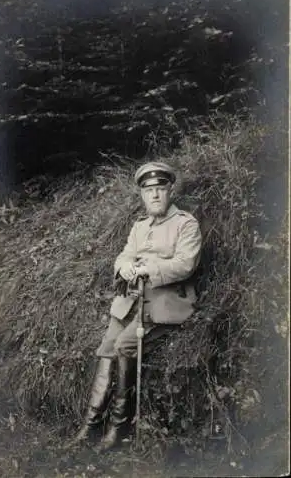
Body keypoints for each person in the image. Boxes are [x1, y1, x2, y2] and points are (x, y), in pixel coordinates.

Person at [75, 161, 203, 453]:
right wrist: (125, 269)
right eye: (149, 191)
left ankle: (118, 428)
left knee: (124, 345)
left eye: (160, 189)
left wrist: (148, 268)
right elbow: (123, 257)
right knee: (106, 348)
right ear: (142, 196)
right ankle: (90, 425)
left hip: (165, 301)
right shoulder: (139, 226)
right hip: (131, 300)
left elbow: (185, 264)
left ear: (170, 191)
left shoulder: (186, 223)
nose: (155, 195)